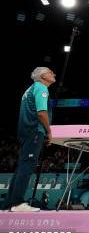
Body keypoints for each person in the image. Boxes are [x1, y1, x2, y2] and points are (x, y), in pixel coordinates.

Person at [5, 67, 55, 212]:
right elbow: (41, 113)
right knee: (27, 166)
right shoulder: (41, 89)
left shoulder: (31, 89)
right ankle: (17, 203)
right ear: (43, 76)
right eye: (50, 72)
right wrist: (49, 131)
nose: (53, 74)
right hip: (34, 131)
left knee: (22, 166)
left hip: (25, 131)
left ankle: (9, 204)